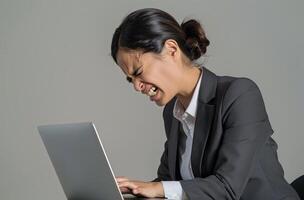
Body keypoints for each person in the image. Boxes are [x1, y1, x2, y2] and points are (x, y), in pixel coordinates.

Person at [110, 8, 300, 200]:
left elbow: (227, 187)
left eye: (138, 72)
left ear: (171, 50)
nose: (136, 86)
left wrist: (156, 188)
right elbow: (167, 183)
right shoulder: (172, 112)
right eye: (129, 79)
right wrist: (132, 191)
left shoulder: (240, 94)